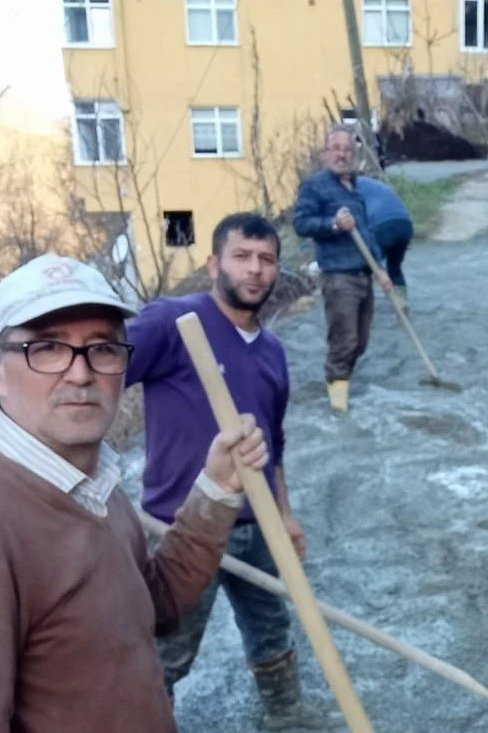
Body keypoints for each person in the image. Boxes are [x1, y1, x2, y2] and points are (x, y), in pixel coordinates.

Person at [0, 254, 269, 733]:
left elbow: (154, 608)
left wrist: (215, 488)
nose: (80, 373)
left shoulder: (91, 481)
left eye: (103, 348)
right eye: (47, 347)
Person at [125, 212, 334, 731]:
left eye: (266, 259)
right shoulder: (171, 322)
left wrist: (285, 515)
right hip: (182, 528)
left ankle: (286, 715)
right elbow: (99, 372)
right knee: (167, 651)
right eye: (242, 256)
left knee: (271, 627)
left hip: (255, 523)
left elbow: (274, 445)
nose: (255, 270)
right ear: (212, 262)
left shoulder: (272, 353)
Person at [294, 125, 393, 415]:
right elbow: (301, 224)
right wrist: (333, 224)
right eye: (336, 148)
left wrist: (380, 270)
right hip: (339, 277)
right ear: (326, 153)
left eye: (348, 149)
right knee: (344, 340)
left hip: (364, 274)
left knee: (360, 342)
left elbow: (366, 233)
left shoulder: (355, 188)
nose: (342, 154)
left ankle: (341, 381)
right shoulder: (315, 186)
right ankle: (338, 407)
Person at [356, 174, 415, 309]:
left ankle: (361, 307)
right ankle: (401, 305)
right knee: (395, 267)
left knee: (364, 266)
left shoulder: (348, 189)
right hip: (405, 225)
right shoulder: (376, 184)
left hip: (382, 226)